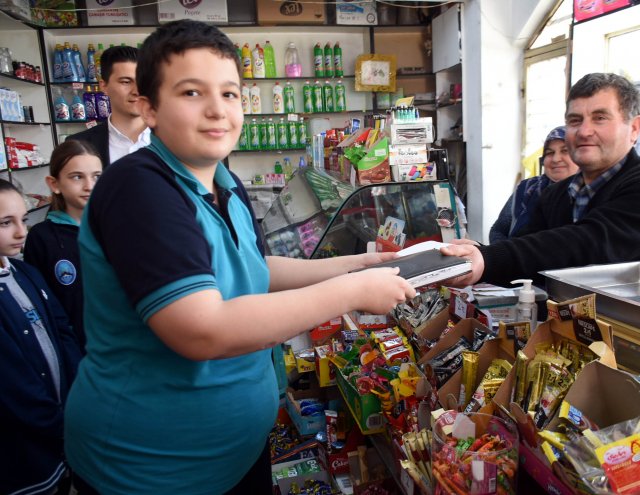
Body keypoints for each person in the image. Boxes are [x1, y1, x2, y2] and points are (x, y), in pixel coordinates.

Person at [64, 19, 416, 495]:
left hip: (234, 455)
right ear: (148, 108)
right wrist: (351, 291)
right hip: (152, 470)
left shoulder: (222, 182)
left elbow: (253, 270)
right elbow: (201, 329)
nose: (217, 110)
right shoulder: (138, 190)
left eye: (230, 94)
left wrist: (358, 264)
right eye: (192, 93)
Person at [443, 72, 640, 287]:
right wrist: (476, 254)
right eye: (575, 120)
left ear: (634, 128)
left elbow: (585, 244)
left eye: (600, 118)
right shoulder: (556, 194)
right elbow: (534, 257)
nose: (585, 131)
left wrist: (489, 258)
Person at [0, 179, 82, 495]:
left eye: (24, 219)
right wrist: (60, 426)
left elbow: (63, 332)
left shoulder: (26, 274)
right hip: (23, 452)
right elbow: (12, 385)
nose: (22, 232)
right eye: (6, 223)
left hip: (59, 434)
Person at [24, 140, 103, 351]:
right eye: (77, 177)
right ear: (54, 184)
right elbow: (44, 306)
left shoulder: (116, 229)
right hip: (75, 348)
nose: (89, 186)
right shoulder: (42, 238)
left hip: (122, 346)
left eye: (97, 176)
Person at [489, 126, 579, 243]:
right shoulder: (527, 189)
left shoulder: (588, 193)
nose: (556, 159)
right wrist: (506, 257)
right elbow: (498, 230)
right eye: (549, 152)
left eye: (565, 151)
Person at [66, 46, 150, 168]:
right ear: (104, 86)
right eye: (126, 82)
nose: (137, 91)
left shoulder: (173, 141)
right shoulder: (77, 145)